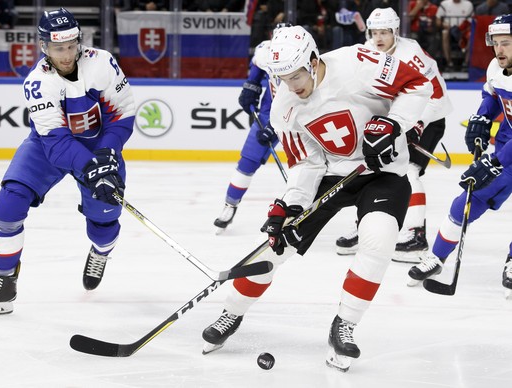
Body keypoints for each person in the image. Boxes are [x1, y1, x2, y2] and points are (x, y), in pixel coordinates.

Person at [201, 25, 432, 372]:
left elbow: (418, 84)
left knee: (379, 240)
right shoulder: (284, 107)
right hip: (332, 175)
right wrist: (290, 204)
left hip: (384, 173)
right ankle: (231, 312)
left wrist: (392, 123)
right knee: (276, 245)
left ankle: (345, 325)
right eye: (280, 79)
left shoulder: (357, 62)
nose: (290, 87)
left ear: (313, 61)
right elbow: (307, 162)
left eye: (295, 76)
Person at [0, 8, 135, 316]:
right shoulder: (37, 83)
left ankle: (101, 252)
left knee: (104, 224)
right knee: (7, 205)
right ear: (44, 46)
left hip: (99, 148)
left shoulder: (102, 62)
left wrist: (107, 155)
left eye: (71, 46)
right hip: (48, 148)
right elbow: (56, 143)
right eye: (58, 48)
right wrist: (94, 169)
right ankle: (3, 284)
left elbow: (123, 113)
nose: (66, 55)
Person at [335, 8, 453, 264]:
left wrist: (416, 124)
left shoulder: (412, 55)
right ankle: (365, 227)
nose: (378, 38)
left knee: (408, 171)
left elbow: (437, 98)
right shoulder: (366, 51)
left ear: (396, 32)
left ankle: (415, 236)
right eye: (374, 32)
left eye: (384, 32)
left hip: (429, 116)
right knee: (371, 171)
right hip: (397, 118)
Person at [407, 14, 512, 296]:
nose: (499, 50)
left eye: (506, 43)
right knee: (468, 197)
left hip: (507, 151)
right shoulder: (495, 67)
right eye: (496, 43)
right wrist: (481, 118)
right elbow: (492, 96)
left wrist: (496, 161)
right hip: (507, 142)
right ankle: (437, 257)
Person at [213, 32, 282, 232]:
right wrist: (250, 90)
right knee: (247, 162)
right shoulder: (265, 52)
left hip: (299, 118)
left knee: (303, 166)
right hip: (269, 114)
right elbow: (256, 75)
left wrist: (277, 126)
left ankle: (297, 211)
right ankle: (230, 205)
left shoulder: (303, 59)